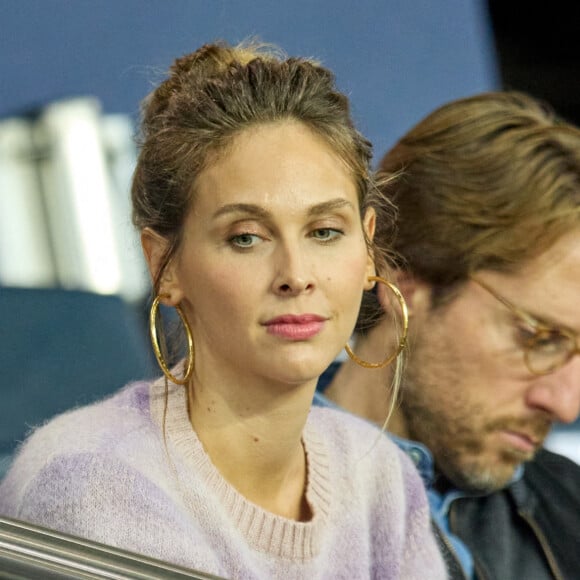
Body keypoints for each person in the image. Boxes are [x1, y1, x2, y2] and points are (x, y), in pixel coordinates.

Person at [0, 42, 446, 579]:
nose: (296, 274)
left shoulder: (381, 476)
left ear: (368, 247)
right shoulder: (92, 482)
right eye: (246, 238)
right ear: (165, 267)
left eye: (325, 231)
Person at [319, 91, 580, 580]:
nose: (566, 405)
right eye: (538, 338)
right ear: (404, 279)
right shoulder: (207, 500)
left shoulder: (570, 506)